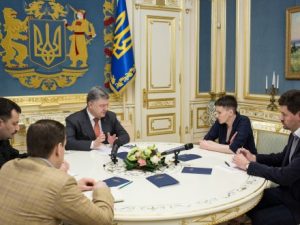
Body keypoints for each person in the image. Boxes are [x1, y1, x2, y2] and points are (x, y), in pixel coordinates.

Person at [0, 119, 114, 225]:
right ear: (59, 148)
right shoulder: (61, 182)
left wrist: (73, 187)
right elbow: (104, 220)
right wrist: (101, 190)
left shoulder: (8, 166)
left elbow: (34, 191)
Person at [233, 89, 300, 225]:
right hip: (287, 192)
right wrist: (254, 158)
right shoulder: (294, 133)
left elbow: (285, 176)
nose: (280, 118)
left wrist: (247, 165)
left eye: (284, 114)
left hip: (297, 203)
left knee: (260, 218)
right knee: (248, 202)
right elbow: (281, 158)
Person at [66, 86, 130, 150]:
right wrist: (93, 144)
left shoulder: (110, 116)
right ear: (90, 105)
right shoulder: (74, 120)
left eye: (107, 105)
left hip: (106, 157)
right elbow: (68, 143)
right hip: (86, 158)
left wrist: (115, 142)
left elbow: (125, 136)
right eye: (102, 106)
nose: (106, 109)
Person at [0, 97, 27, 168]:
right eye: (14, 124)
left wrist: (40, 156)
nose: (18, 128)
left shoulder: (3, 139)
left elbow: (15, 158)